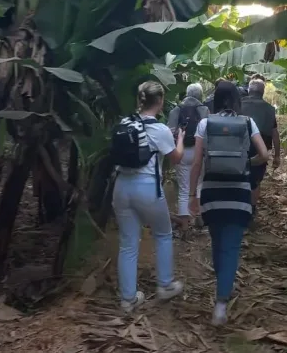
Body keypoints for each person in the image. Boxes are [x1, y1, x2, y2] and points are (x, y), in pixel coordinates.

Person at [188, 81, 269, 325]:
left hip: (212, 192)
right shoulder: (247, 122)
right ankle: (221, 305)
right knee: (232, 246)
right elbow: (264, 155)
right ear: (236, 100)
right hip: (239, 193)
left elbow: (197, 162)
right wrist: (247, 164)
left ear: (215, 99)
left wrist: (193, 195)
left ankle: (221, 282)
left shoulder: (205, 123)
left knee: (217, 241)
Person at [112, 81, 185, 312]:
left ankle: (128, 299)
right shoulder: (161, 130)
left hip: (121, 187)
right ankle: (165, 285)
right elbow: (176, 158)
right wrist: (180, 139)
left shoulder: (125, 123)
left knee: (128, 244)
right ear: (160, 101)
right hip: (147, 189)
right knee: (163, 233)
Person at [167, 83, 209, 230]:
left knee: (184, 187)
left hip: (181, 151)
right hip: (199, 152)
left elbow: (170, 132)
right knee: (199, 184)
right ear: (200, 95)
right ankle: (199, 218)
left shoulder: (176, 110)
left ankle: (185, 224)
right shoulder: (204, 109)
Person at [241, 79, 281, 219]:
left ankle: (239, 206)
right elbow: (275, 133)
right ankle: (251, 210)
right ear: (263, 92)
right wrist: (277, 155)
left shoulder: (239, 104)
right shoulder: (269, 109)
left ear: (249, 90)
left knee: (239, 175)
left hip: (241, 145)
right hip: (261, 148)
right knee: (255, 180)